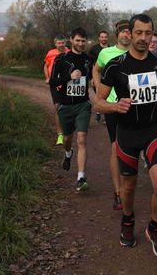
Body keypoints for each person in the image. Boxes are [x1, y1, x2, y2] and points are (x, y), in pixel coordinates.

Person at [95, 14, 157, 258]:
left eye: (148, 33)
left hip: (153, 130)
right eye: (139, 33)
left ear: (153, 34)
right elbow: (98, 102)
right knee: (129, 187)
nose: (144, 38)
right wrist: (115, 106)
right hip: (127, 133)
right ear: (130, 33)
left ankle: (154, 227)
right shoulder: (115, 66)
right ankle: (128, 220)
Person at [49, 28, 95, 191]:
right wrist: (69, 77)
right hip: (66, 105)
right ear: (71, 40)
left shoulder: (89, 60)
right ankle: (68, 153)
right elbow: (52, 82)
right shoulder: (61, 59)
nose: (81, 44)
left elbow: (93, 79)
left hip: (83, 105)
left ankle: (81, 177)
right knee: (67, 139)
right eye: (78, 40)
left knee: (81, 138)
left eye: (83, 41)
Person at [93, 20, 131, 210]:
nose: (126, 34)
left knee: (131, 148)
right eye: (123, 31)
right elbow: (96, 68)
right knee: (116, 147)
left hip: (134, 106)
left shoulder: (138, 53)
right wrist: (98, 87)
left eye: (129, 31)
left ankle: (128, 184)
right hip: (113, 106)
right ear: (117, 34)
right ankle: (118, 193)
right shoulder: (106, 53)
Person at [43, 34, 70, 145]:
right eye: (59, 43)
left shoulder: (69, 53)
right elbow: (46, 66)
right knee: (57, 107)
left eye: (63, 43)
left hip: (67, 83)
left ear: (65, 43)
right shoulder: (50, 53)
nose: (61, 45)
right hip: (54, 84)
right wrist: (47, 77)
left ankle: (70, 129)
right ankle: (60, 135)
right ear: (55, 44)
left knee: (68, 107)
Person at [88, 30, 110, 123]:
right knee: (98, 93)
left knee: (108, 94)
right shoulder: (94, 49)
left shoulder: (111, 48)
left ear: (107, 38)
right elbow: (90, 64)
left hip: (108, 73)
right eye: (102, 37)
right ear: (99, 38)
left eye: (105, 37)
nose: (104, 39)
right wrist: (92, 77)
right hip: (98, 73)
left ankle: (106, 115)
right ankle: (98, 111)